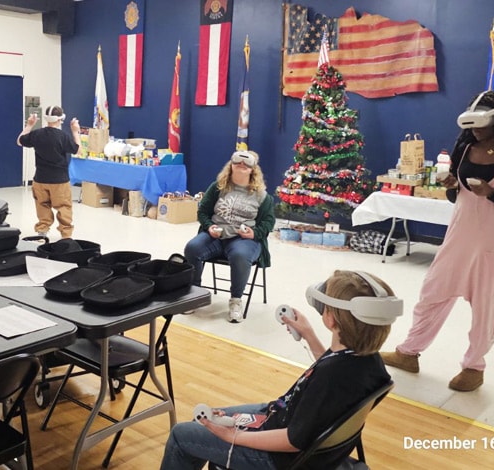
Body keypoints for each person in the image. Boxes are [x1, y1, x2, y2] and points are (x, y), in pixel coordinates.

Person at [160, 270, 401, 470]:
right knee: (205, 421)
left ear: (331, 318)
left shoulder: (331, 378)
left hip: (279, 456)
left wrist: (236, 437)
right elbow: (330, 371)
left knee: (183, 435)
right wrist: (308, 335)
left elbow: (293, 440)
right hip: (289, 424)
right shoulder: (367, 361)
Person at [381, 90, 494, 392]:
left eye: (482, 125)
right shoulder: (464, 148)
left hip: (489, 245)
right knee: (432, 293)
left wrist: (492, 194)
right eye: (472, 125)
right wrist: (452, 185)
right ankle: (409, 352)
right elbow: (457, 196)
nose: (475, 131)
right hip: (458, 237)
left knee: (485, 308)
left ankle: (474, 367)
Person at [183, 150, 275, 323]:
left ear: (252, 170)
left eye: (246, 164)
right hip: (216, 236)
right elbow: (202, 211)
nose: (241, 166)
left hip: (244, 240)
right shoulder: (218, 187)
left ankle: (236, 300)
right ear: (230, 166)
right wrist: (209, 227)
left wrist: (254, 233)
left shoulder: (262, 197)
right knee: (192, 248)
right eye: (237, 163)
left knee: (240, 255)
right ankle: (194, 294)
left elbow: (268, 223)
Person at [17, 105, 81, 239]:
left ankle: (42, 232)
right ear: (61, 118)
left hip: (40, 179)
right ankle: (66, 235)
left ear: (46, 118)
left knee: (42, 205)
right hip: (60, 181)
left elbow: (19, 141)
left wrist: (29, 125)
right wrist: (75, 131)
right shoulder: (63, 136)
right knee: (64, 207)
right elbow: (78, 150)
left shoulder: (37, 134)